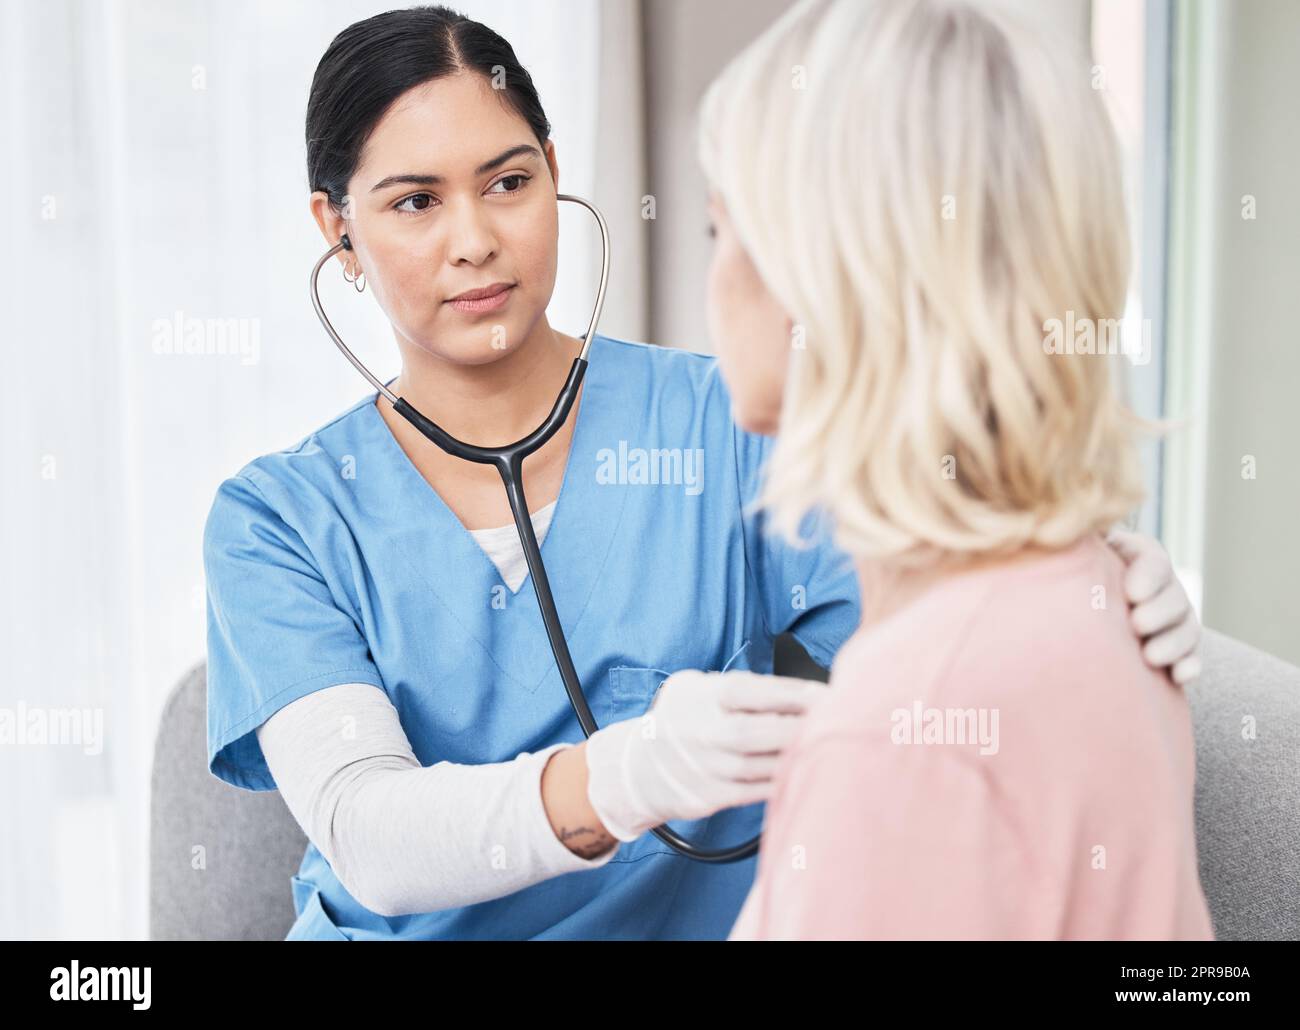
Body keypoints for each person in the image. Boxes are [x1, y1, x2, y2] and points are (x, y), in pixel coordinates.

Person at [202, 4, 1202, 941]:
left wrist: (1099, 583)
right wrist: (623, 774)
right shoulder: (277, 518)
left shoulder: (741, 423)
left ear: (554, 171)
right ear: (338, 230)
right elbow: (369, 834)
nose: (475, 240)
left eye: (508, 182)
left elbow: (956, 626)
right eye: (415, 202)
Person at [689, 0, 1214, 939]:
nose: (714, 275)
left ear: (829, 278)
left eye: (718, 229)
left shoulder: (906, 743)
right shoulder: (1102, 597)